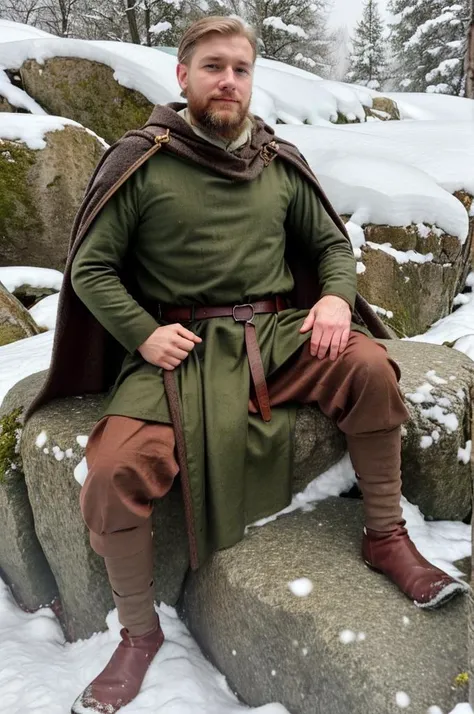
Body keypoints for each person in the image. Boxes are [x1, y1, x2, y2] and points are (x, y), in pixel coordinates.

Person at [26, 17, 468, 714]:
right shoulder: (142, 160)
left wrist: (332, 301)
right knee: (113, 470)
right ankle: (139, 634)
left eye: (240, 68)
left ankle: (386, 537)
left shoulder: (275, 159)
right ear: (183, 76)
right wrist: (142, 336)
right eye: (213, 67)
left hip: (278, 335)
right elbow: (91, 266)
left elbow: (331, 247)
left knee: (370, 368)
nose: (228, 80)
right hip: (181, 346)